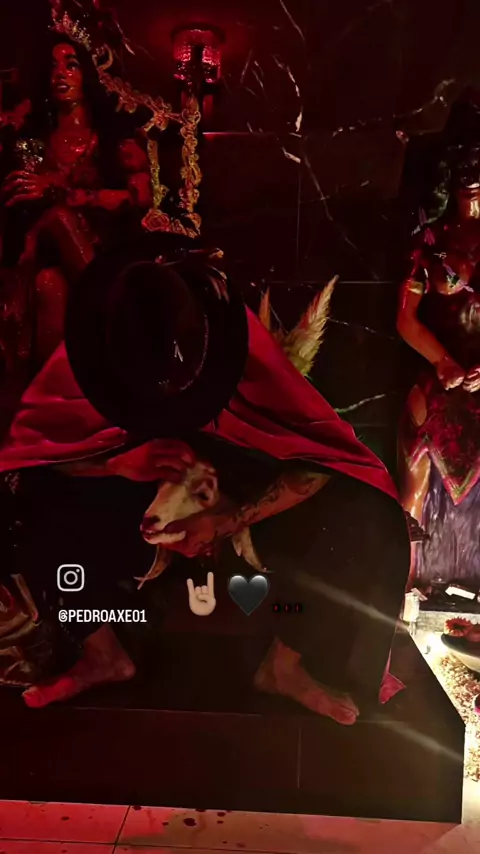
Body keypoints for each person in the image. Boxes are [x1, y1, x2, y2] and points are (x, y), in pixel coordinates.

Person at [0, 236, 410, 723]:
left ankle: (284, 665)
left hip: (244, 509)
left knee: (366, 512)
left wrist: (227, 519)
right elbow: (35, 453)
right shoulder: (89, 352)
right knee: (28, 497)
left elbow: (322, 463)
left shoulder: (239, 345)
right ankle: (103, 652)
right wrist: (114, 464)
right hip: (139, 514)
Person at [0, 33, 151, 433]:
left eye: (70, 64)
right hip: (54, 260)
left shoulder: (111, 135)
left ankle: (119, 318)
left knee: (60, 219)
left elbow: (139, 197)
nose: (60, 73)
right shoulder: (34, 142)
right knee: (48, 283)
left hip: (107, 253)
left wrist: (63, 192)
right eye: (52, 66)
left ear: (87, 75)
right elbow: (23, 208)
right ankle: (57, 416)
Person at [397, 147, 480, 590]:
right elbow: (405, 318)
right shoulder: (431, 240)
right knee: (415, 472)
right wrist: (442, 360)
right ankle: (405, 579)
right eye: (467, 161)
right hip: (441, 376)